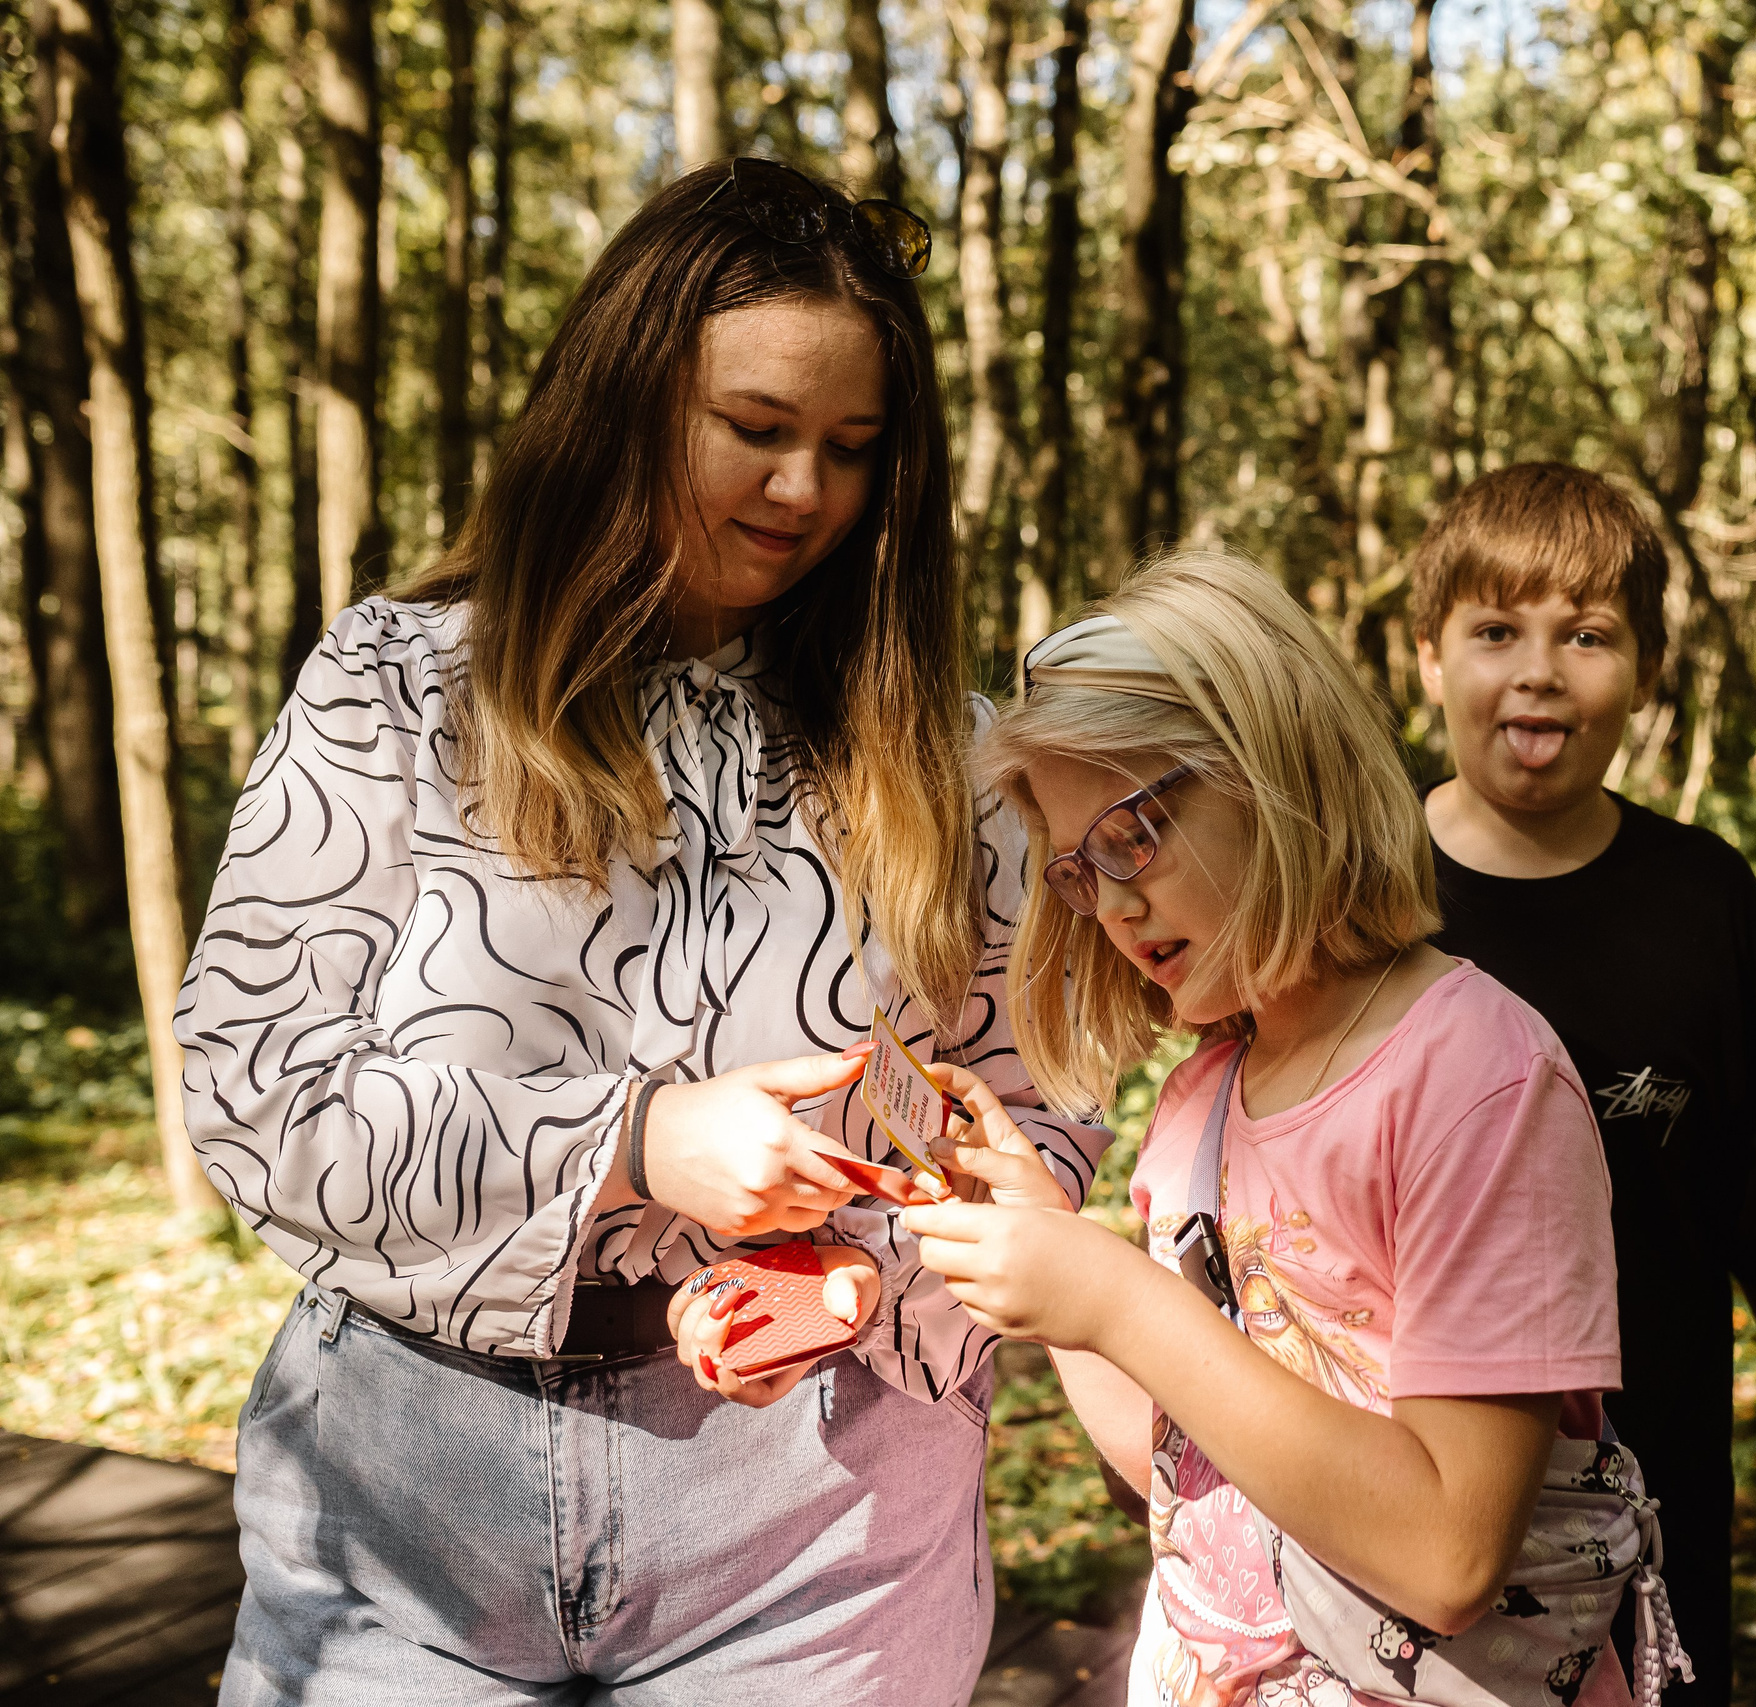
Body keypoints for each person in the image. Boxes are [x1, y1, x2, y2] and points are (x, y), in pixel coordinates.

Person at [175, 159, 1106, 1703]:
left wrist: (861, 1286)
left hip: (822, 1523)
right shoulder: (393, 688)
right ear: (622, 403)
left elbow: (1038, 1113)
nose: (802, 491)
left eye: (851, 449)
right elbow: (254, 1089)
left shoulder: (956, 760)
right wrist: (638, 1142)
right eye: (754, 426)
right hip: (401, 1510)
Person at [884, 551, 1661, 1706]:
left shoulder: (1477, 1078)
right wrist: (1061, 1268)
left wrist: (1116, 1298)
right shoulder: (1199, 1103)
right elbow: (1182, 1465)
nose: (1112, 904)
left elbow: (1450, 1556)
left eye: (1133, 835)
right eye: (1078, 871)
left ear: (1270, 770)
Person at [1409, 463, 1756, 1702]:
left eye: (1586, 636)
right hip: (1398, 1509)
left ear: (1648, 670)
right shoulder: (1358, 885)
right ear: (1427, 658)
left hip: (1649, 1514)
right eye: (1494, 631)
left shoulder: (1702, 900)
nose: (1538, 672)